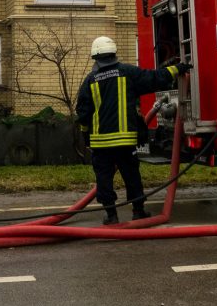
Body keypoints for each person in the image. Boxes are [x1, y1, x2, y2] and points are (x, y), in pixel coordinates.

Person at [76, 36, 187, 225]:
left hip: (101, 143)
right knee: (131, 175)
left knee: (104, 177)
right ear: (114, 53)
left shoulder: (90, 80)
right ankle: (138, 211)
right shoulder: (127, 72)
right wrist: (178, 69)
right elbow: (154, 78)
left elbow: (83, 113)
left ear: (95, 57)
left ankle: (111, 216)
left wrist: (86, 136)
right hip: (125, 141)